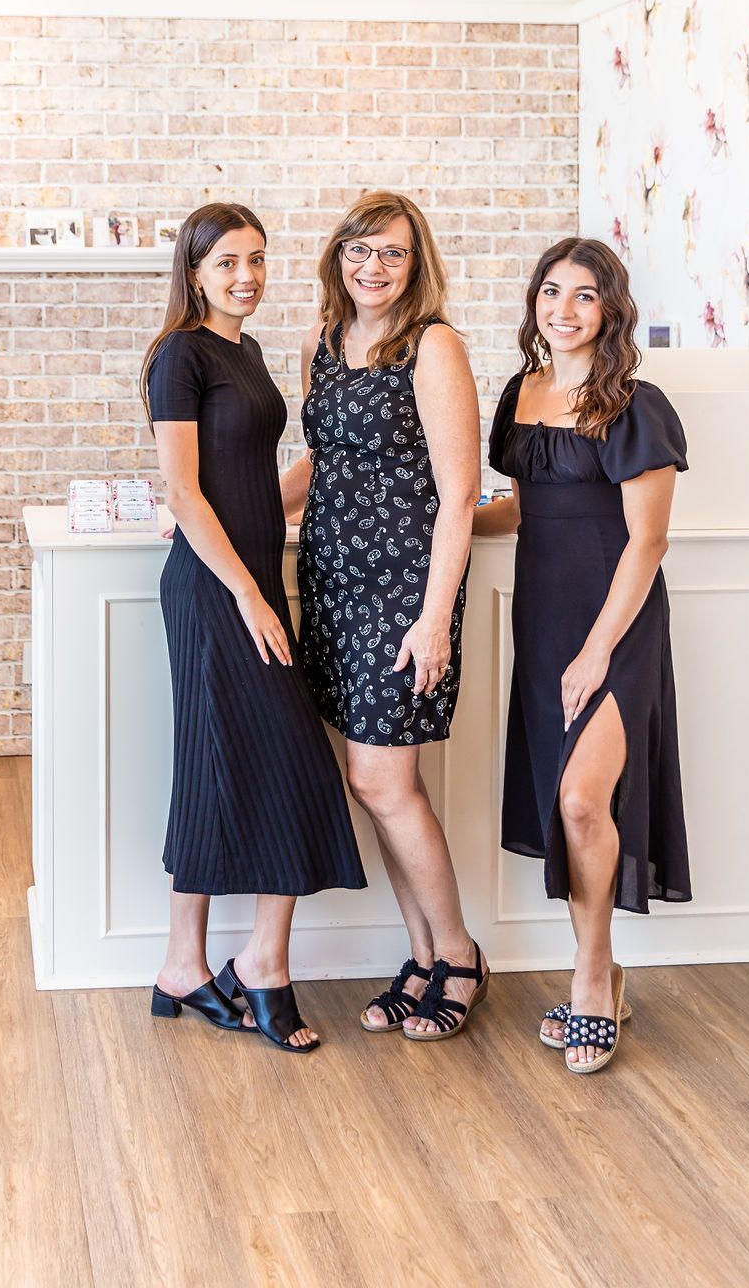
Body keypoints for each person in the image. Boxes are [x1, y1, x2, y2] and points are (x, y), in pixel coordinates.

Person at [139, 202, 366, 1055]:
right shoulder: (178, 358)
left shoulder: (252, 351)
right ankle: (262, 966)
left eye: (259, 261)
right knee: (300, 764)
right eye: (229, 262)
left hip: (244, 582)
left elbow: (250, 482)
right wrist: (248, 594)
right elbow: (186, 493)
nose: (247, 277)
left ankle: (183, 966)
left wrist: (345, 454)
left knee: (212, 767)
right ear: (194, 271)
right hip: (214, 594)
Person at [474, 236, 691, 1071]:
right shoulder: (519, 392)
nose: (563, 311)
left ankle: (592, 979)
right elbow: (523, 514)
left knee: (579, 802)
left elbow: (648, 541)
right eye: (551, 292)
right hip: (543, 621)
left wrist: (598, 651)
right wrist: (445, 524)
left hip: (616, 625)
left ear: (612, 310)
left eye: (585, 296)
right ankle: (601, 970)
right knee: (566, 807)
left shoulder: (637, 403)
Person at [282, 192, 488, 1041]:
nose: (373, 267)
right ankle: (422, 956)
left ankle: (462, 956)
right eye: (359, 250)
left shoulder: (433, 346)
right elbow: (319, 461)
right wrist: (217, 512)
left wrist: (434, 618)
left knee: (384, 782)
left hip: (404, 588)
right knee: (376, 786)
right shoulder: (322, 343)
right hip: (333, 581)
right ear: (339, 256)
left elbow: (462, 491)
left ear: (417, 264)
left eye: (392, 254)